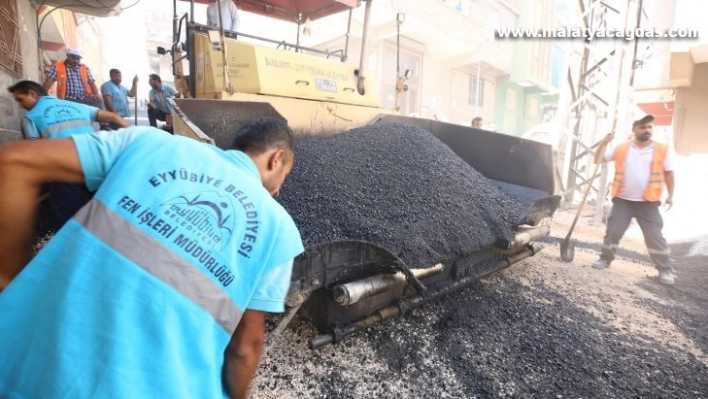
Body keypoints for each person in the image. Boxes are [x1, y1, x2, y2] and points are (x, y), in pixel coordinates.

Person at [0, 118, 304, 399]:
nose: (278, 192)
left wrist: (13, 286)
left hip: (25, 365)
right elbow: (244, 348)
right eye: (285, 176)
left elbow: (13, 161)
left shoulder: (149, 143)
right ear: (276, 159)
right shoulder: (280, 231)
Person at [8, 80, 128, 231]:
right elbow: (115, 118)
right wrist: (135, 136)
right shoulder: (77, 106)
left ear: (32, 93)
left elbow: (34, 152)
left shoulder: (31, 117)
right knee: (99, 216)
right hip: (97, 167)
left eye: (20, 99)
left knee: (65, 223)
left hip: (65, 171)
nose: (21, 105)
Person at [591, 114, 676, 285]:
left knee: (654, 236)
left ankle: (665, 270)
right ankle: (605, 259)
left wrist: (670, 195)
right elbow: (598, 159)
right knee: (613, 232)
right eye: (643, 127)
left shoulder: (661, 149)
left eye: (649, 127)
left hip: (648, 203)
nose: (647, 130)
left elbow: (669, 173)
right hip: (623, 201)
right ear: (634, 129)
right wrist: (602, 143)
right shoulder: (621, 148)